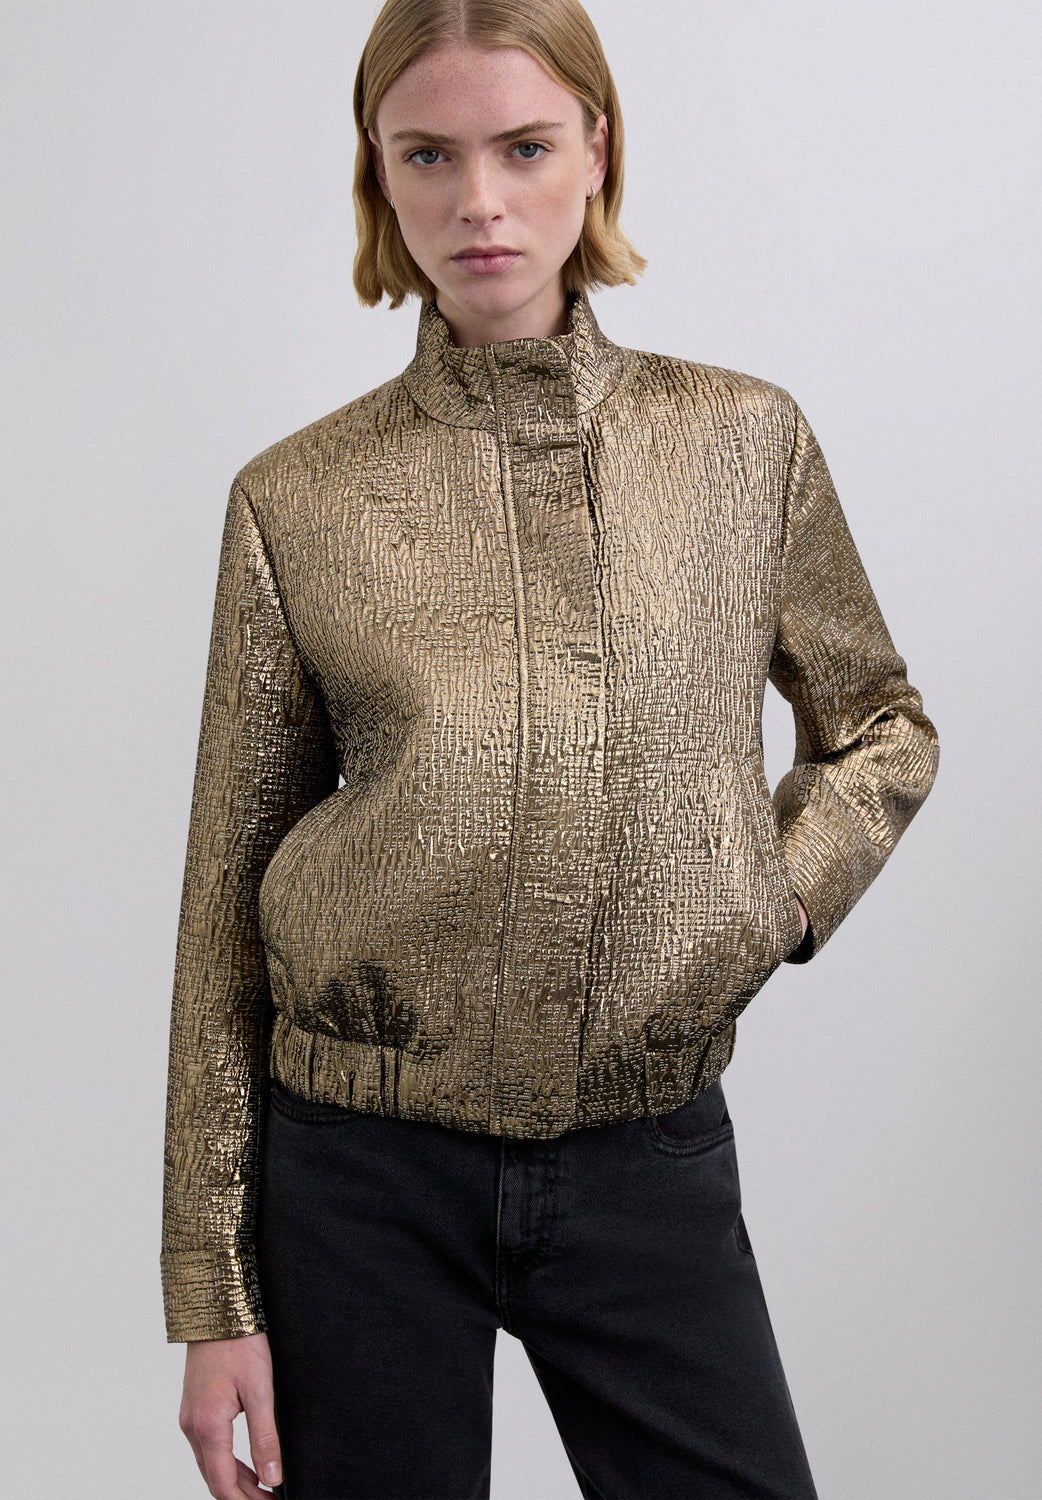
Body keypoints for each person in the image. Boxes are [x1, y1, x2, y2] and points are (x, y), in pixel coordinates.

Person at [163, 2, 940, 1496]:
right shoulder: (296, 498)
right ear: (377, 174)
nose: (480, 200)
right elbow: (222, 913)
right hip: (357, 1174)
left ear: (597, 149)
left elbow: (881, 728)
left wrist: (767, 898)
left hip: (644, 1151)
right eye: (427, 155)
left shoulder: (744, 443)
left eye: (523, 147)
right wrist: (213, 1291)